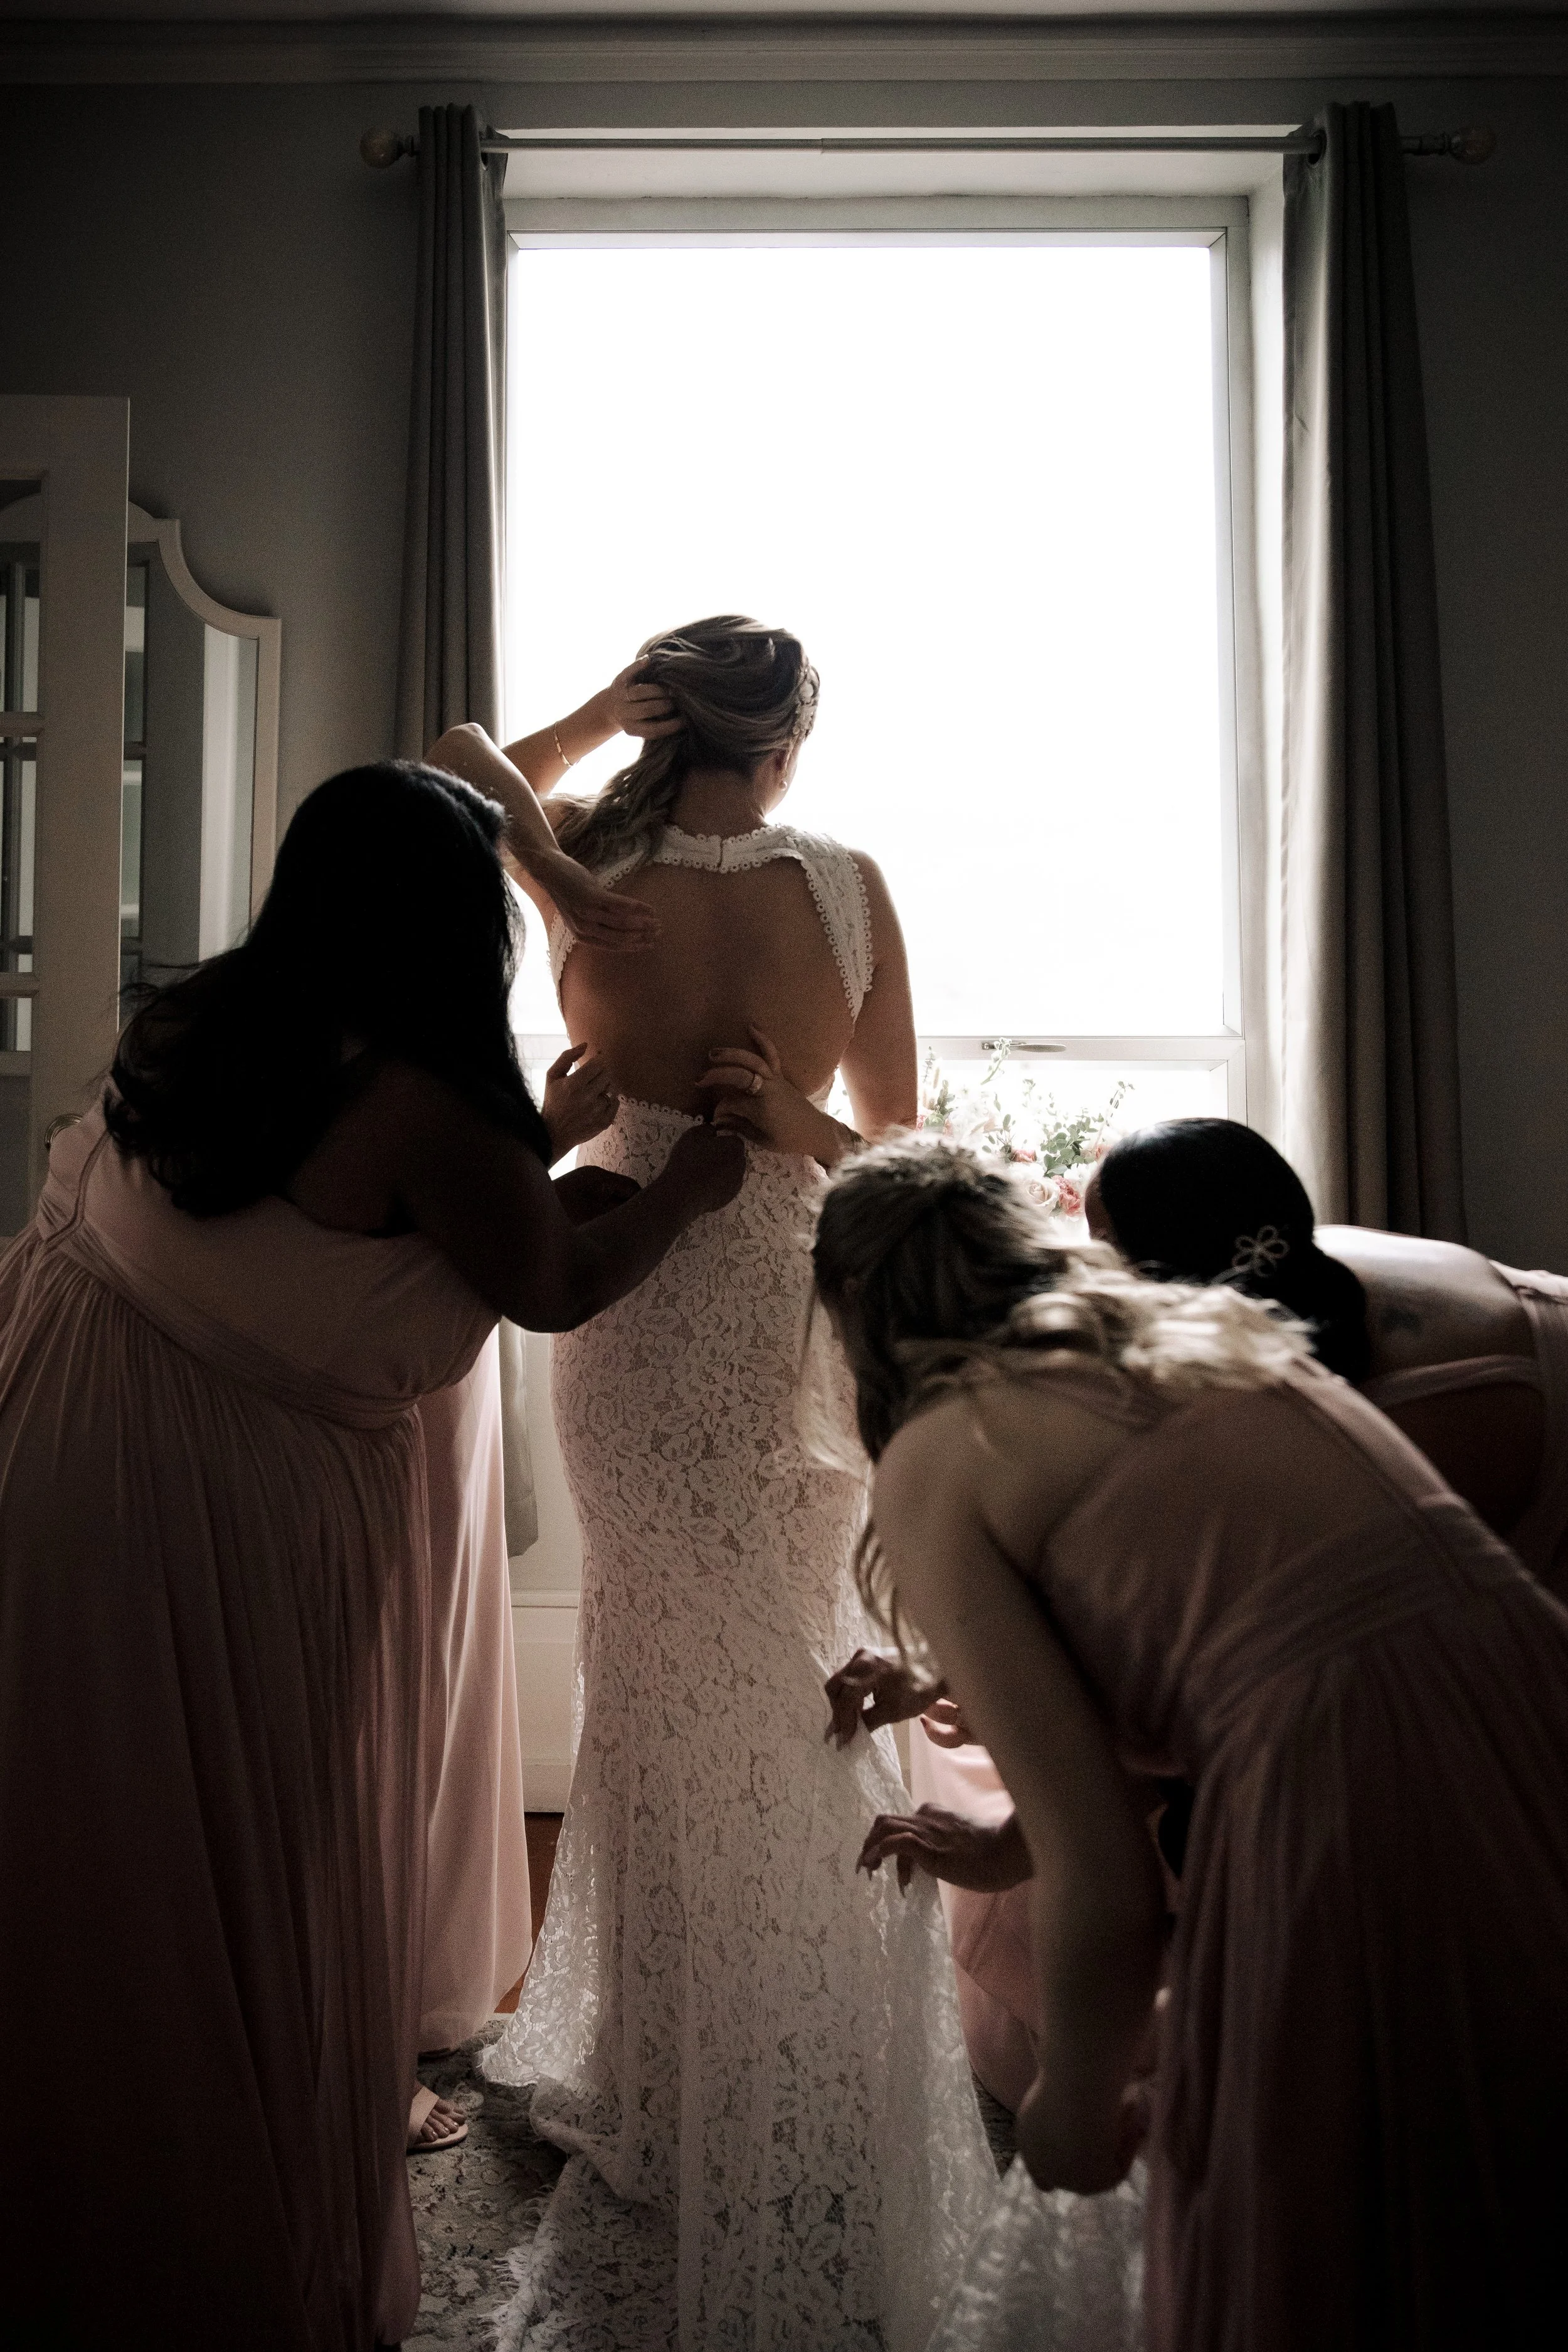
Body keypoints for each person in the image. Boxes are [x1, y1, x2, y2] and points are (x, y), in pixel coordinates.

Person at [0, 760, 742, 2351]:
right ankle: (221, 2175)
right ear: (450, 913)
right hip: (225, 1499)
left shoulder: (203, 1015)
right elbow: (543, 1280)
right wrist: (681, 1189)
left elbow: (314, 1221)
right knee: (254, 1822)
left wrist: (529, 1139)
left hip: (67, 1441)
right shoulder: (418, 1086)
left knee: (95, 1818)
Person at [449, 618, 997, 2349]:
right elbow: (907, 1154)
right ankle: (802, 2031)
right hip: (773, 1285)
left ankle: (666, 2042)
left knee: (657, 1670)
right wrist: (792, 1130)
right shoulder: (844, 882)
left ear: (665, 716)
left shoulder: (582, 873)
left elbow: (461, 754)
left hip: (621, 1289)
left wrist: (590, 740)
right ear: (792, 738)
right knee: (799, 1652)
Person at [812, 1137, 1568, 2351]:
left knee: (1326, 2188)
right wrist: (1004, 1851)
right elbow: (1174, 1657)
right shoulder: (1192, 1338)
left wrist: (1075, 2096)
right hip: (1527, 1690)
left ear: (857, 1319)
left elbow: (1112, 1881)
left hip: (1341, 1774)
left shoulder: (944, 1450)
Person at [1088, 1116, 1568, 1596]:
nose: (1094, 1272)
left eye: (1103, 1246)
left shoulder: (1380, 1424)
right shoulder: (1303, 1255)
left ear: (1164, 1270)